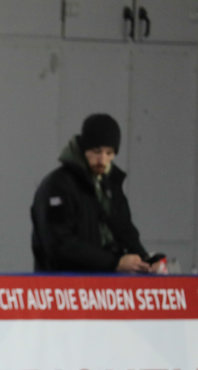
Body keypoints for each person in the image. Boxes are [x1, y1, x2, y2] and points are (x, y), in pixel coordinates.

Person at [31, 113, 161, 273]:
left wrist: (145, 260)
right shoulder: (57, 186)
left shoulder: (110, 183)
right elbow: (59, 243)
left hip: (103, 280)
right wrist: (114, 263)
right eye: (96, 151)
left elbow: (124, 230)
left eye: (109, 153)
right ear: (84, 148)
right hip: (65, 282)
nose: (102, 159)